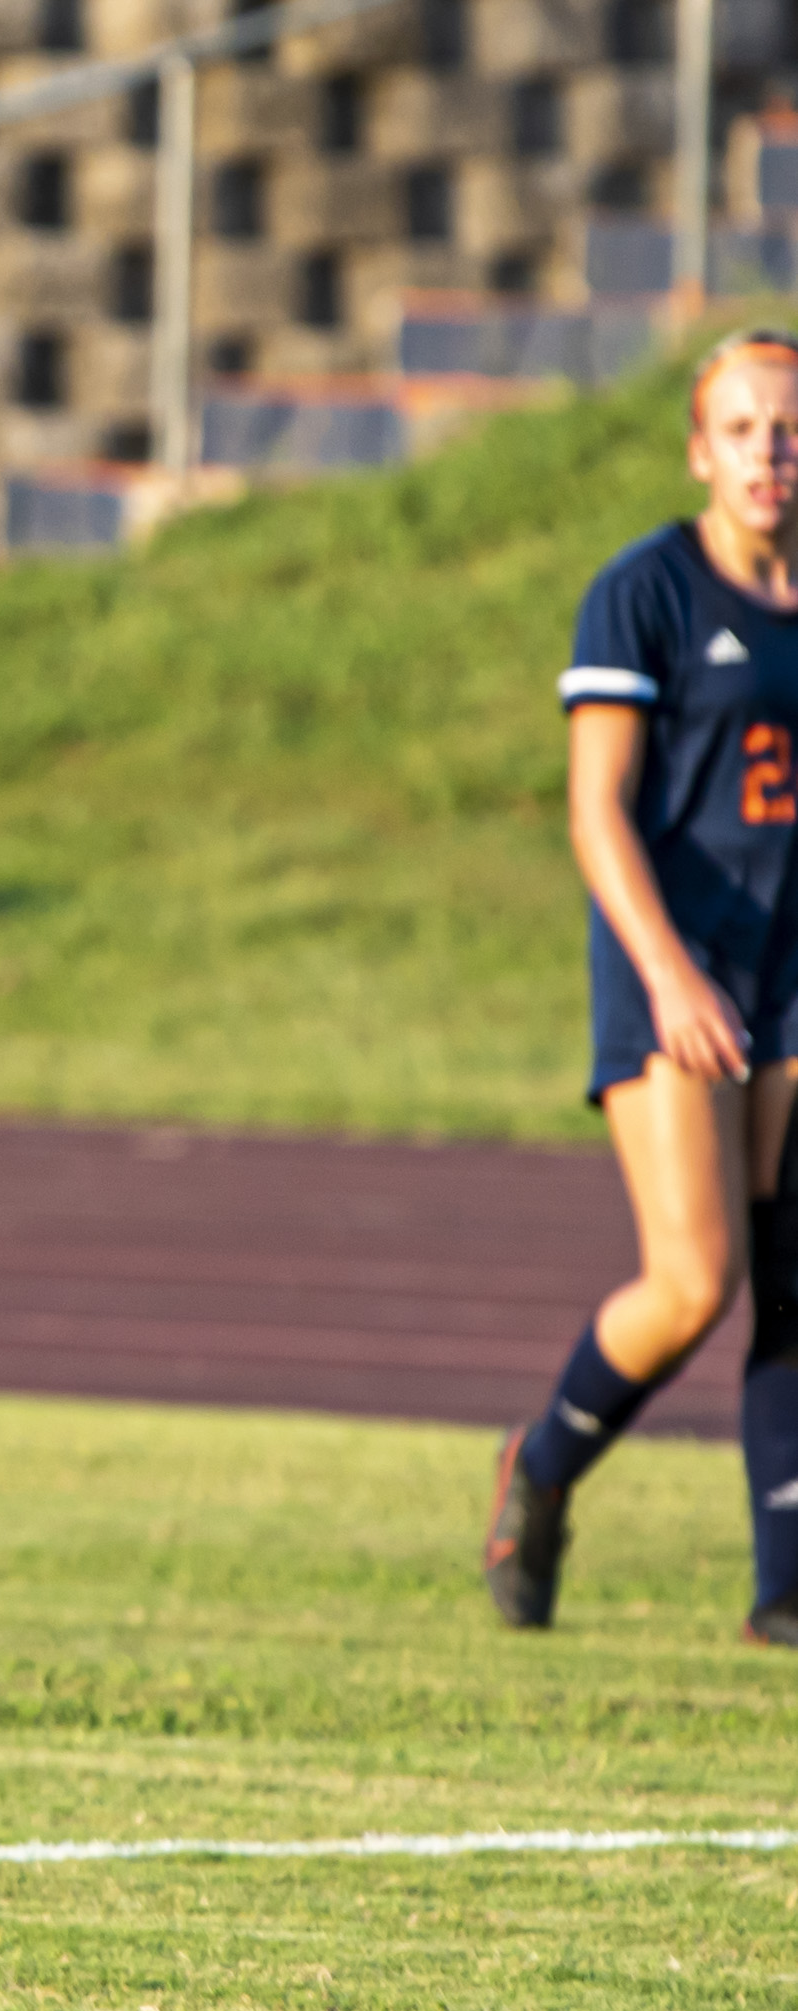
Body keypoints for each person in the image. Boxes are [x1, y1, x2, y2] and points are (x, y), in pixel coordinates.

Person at [487, 326, 798, 1653]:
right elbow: (595, 811)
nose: (770, 455)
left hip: (792, 972)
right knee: (692, 1281)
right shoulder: (644, 592)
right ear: (698, 448)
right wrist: (669, 976)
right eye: (743, 431)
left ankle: (781, 1586)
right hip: (676, 969)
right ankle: (541, 1470)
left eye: (787, 430)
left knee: (793, 1280)